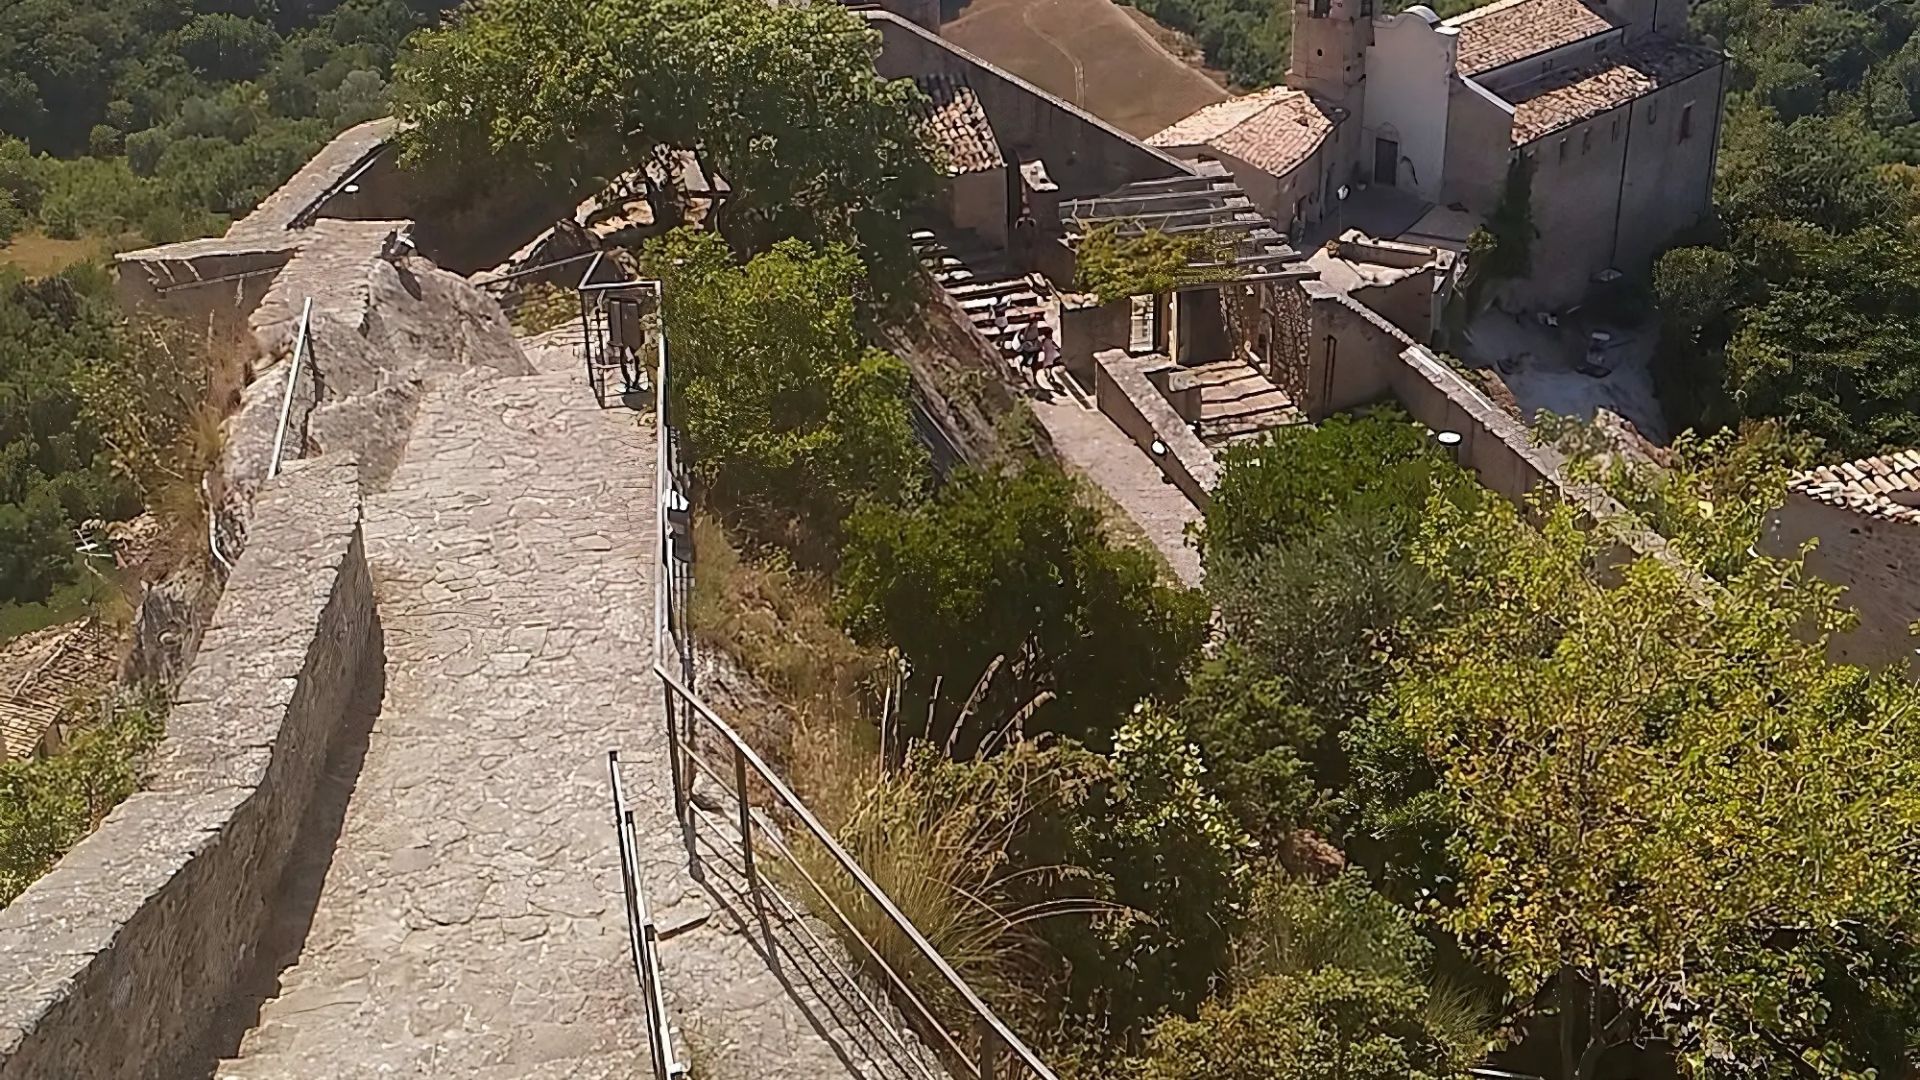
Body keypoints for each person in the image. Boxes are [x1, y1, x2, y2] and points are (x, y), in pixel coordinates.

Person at [1015, 318, 1043, 384]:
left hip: (1030, 345)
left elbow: (1018, 358)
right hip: (1033, 345)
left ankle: (1033, 319)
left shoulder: (1024, 366)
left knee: (1032, 327)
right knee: (1032, 327)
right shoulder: (1033, 367)